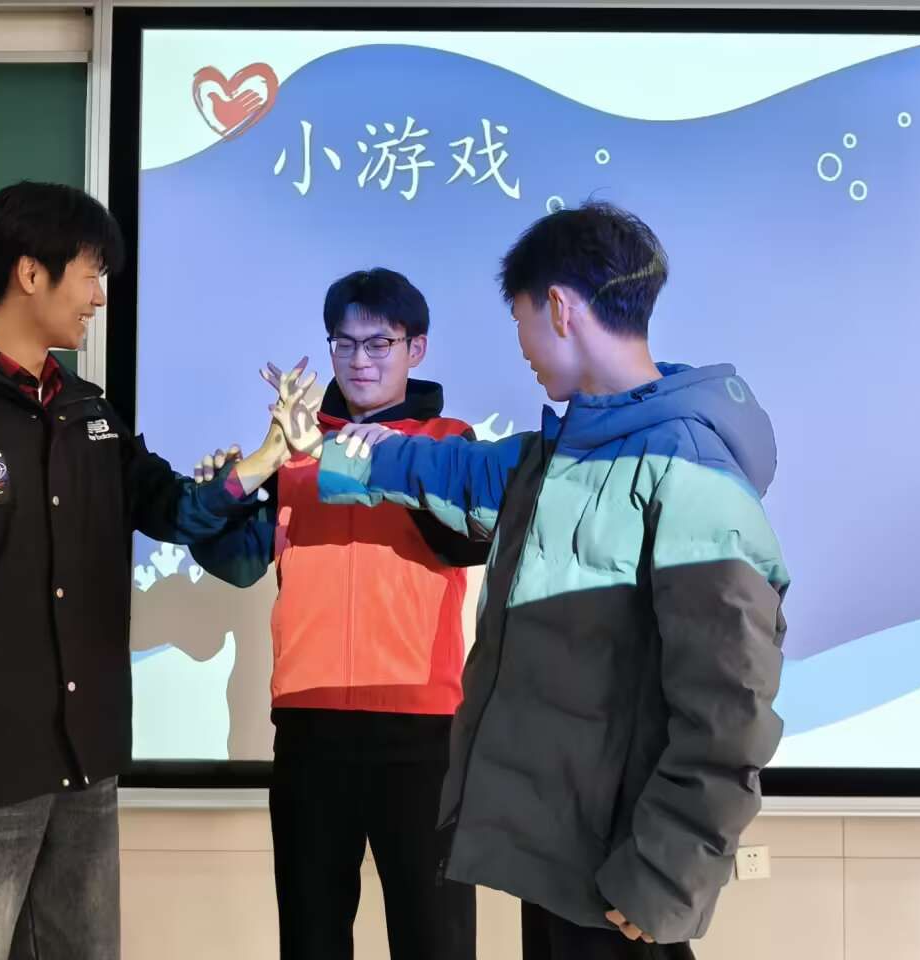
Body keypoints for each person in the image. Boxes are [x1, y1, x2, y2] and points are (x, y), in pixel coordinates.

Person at [271, 203, 790, 959]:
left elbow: (731, 703)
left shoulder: (688, 468)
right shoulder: (564, 455)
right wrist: (329, 450)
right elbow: (447, 467)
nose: (521, 350)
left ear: (559, 308)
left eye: (520, 322)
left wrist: (666, 873)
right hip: (560, 855)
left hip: (627, 868)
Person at [0, 181, 284, 960]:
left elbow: (173, 508)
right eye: (90, 275)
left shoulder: (88, 413)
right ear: (29, 272)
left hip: (83, 772)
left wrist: (264, 461)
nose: (99, 298)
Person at [191, 268, 485, 960]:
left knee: (435, 940)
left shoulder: (450, 441)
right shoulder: (293, 448)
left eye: (380, 343)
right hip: (311, 727)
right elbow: (239, 563)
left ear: (416, 348)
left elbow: (465, 543)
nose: (360, 360)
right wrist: (224, 497)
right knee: (312, 938)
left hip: (422, 728)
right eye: (344, 343)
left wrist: (372, 462)